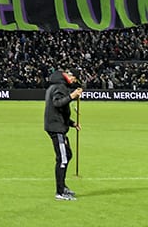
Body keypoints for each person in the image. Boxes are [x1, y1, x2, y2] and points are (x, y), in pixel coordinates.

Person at [44, 69, 82, 201]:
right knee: (63, 158)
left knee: (68, 154)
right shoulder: (60, 87)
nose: (74, 82)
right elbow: (57, 103)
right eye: (74, 79)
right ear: (69, 76)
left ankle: (63, 187)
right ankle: (60, 192)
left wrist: (71, 123)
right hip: (56, 127)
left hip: (58, 125)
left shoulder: (56, 85)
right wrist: (72, 96)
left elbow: (60, 110)